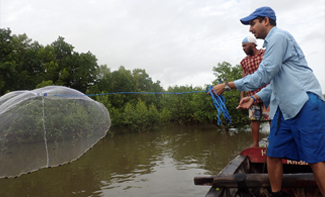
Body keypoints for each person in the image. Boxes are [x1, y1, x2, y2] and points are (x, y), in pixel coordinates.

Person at [211, 6, 325, 196]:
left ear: (266, 21)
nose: (250, 29)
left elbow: (264, 74)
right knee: (273, 154)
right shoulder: (270, 45)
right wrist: (254, 97)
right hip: (285, 108)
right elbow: (274, 83)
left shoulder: (279, 37)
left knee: (315, 158)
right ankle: (276, 194)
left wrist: (228, 85)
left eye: (252, 23)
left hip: (305, 102)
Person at [240, 35, 270, 148]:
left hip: (267, 92)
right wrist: (242, 96)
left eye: (245, 45)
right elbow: (243, 79)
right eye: (242, 46)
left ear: (253, 44)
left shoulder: (265, 54)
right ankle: (255, 144)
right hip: (251, 95)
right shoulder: (244, 61)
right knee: (254, 119)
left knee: (270, 117)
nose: (243, 48)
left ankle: (273, 141)